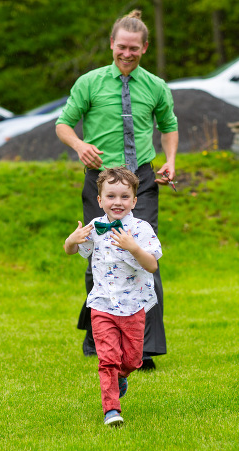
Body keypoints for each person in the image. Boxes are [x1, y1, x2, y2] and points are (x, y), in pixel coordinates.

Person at [56, 9, 178, 370]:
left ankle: (143, 350)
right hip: (101, 182)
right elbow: (63, 124)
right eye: (121, 47)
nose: (127, 53)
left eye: (134, 49)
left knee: (143, 257)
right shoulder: (90, 82)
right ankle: (99, 333)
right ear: (112, 45)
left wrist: (170, 160)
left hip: (142, 181)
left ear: (144, 48)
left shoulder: (156, 86)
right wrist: (79, 146)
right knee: (99, 258)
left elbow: (169, 126)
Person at [64, 166, 163, 426]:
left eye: (124, 197)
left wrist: (134, 248)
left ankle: (121, 377)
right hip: (102, 304)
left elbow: (152, 265)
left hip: (133, 306)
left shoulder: (141, 229)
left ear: (134, 200)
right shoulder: (94, 228)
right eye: (110, 196)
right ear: (99, 200)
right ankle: (111, 410)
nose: (117, 202)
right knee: (107, 359)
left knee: (132, 359)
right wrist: (71, 240)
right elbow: (71, 250)